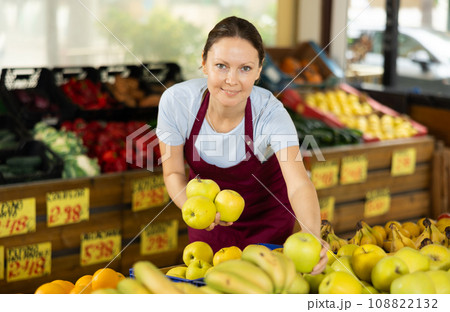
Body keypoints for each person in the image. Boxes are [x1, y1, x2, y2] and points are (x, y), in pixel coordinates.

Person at [156, 16, 328, 274]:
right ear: (204, 63)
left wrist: (311, 236)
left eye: (245, 68)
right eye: (221, 66)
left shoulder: (270, 113)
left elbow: (299, 183)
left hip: (267, 223)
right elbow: (173, 173)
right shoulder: (177, 103)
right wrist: (195, 210)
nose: (232, 80)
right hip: (207, 228)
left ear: (259, 71)